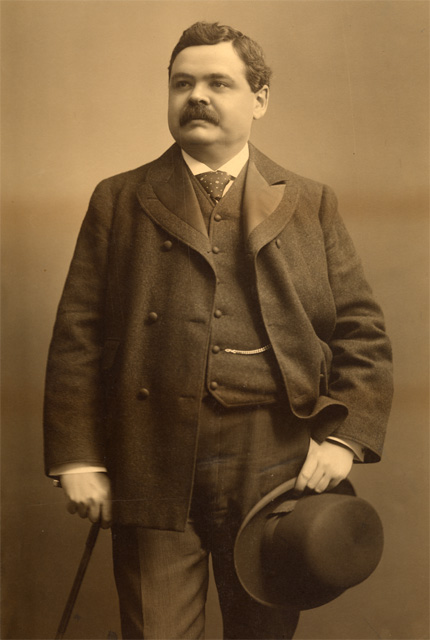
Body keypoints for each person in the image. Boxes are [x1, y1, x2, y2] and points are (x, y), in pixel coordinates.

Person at [44, 21, 393, 639]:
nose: (196, 96)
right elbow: (79, 334)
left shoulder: (311, 202)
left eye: (218, 83)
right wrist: (76, 455)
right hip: (150, 452)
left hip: (276, 457)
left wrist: (344, 441)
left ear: (259, 99)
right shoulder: (119, 198)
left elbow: (361, 334)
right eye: (183, 83)